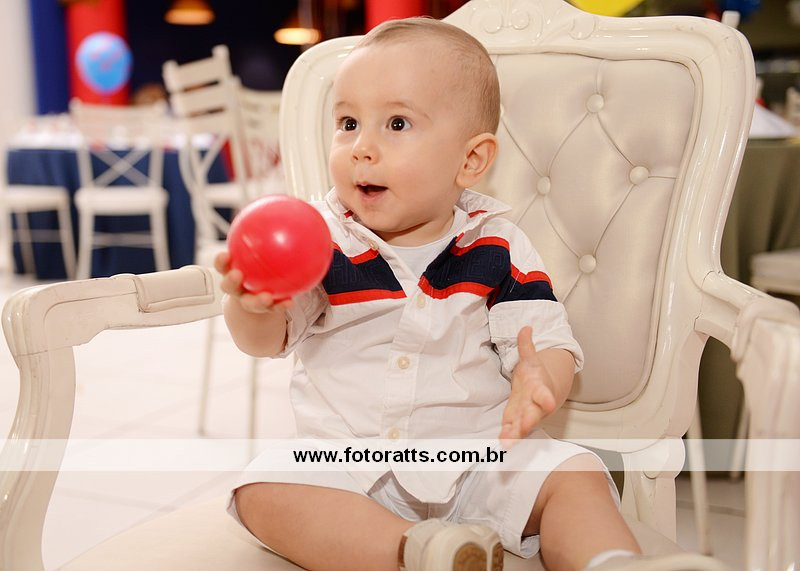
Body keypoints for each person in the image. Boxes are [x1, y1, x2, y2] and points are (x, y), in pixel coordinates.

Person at [216, 16, 666, 571]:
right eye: (348, 122)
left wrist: (540, 377)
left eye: (397, 123)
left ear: (470, 160)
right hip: (347, 469)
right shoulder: (319, 241)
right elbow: (265, 341)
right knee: (262, 487)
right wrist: (251, 305)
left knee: (575, 474)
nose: (362, 147)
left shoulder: (497, 244)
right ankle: (420, 550)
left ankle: (612, 563)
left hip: (479, 461)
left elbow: (546, 339)